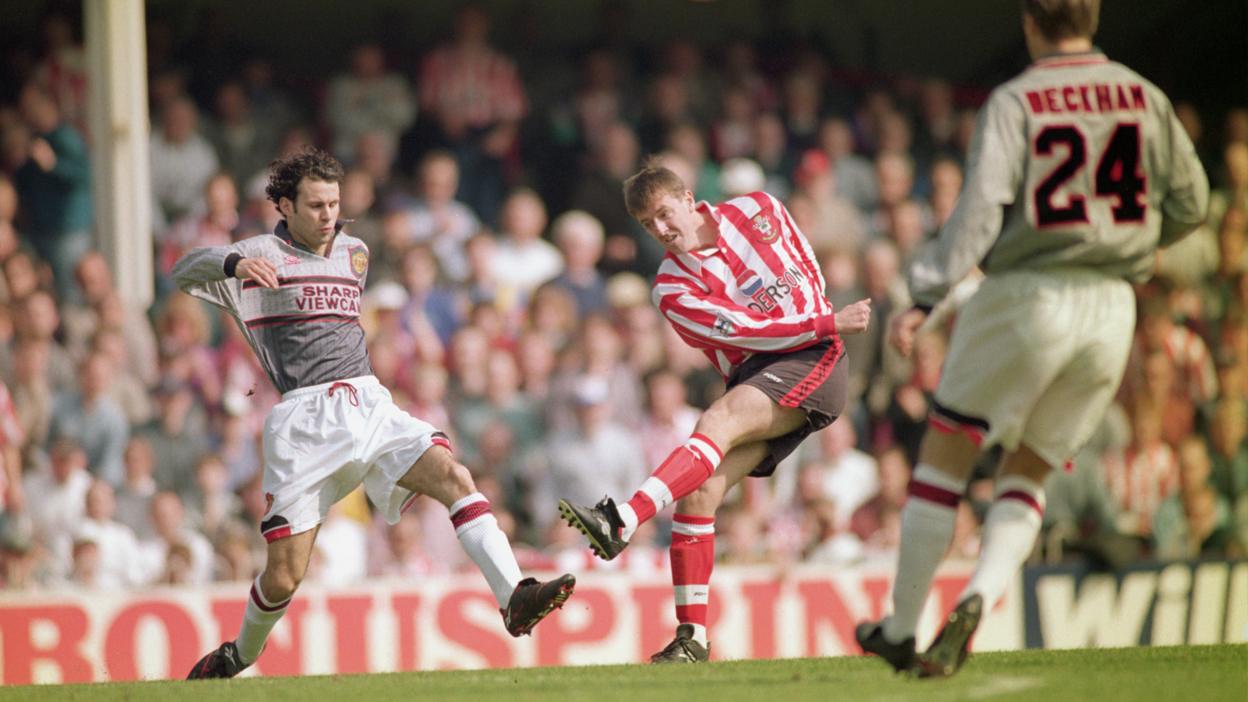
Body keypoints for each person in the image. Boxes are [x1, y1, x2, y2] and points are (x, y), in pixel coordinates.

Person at [855, 0, 1209, 678]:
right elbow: (1191, 200)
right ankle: (979, 598)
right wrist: (1127, 244)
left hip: (1028, 292)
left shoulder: (1018, 100)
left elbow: (980, 208)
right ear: (1095, 17)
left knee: (946, 453)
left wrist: (925, 292)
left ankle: (901, 627)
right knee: (1032, 467)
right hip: (1112, 307)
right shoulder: (1145, 96)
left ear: (1028, 22)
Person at [174, 147, 574, 680]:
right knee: (286, 578)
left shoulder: (356, 252)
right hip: (304, 423)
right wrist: (233, 262)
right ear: (286, 206)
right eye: (315, 205)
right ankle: (238, 655)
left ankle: (514, 598)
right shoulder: (259, 253)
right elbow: (183, 271)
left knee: (455, 474)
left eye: (334, 204)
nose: (327, 215)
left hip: (368, 401)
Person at [558, 163, 872, 662]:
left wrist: (823, 324)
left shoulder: (759, 208)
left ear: (688, 198)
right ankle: (693, 639)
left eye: (663, 213)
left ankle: (624, 518)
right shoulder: (669, 287)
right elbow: (743, 331)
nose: (660, 230)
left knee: (714, 423)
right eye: (647, 224)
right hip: (768, 363)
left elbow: (804, 267)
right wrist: (822, 319)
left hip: (815, 355)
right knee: (700, 493)